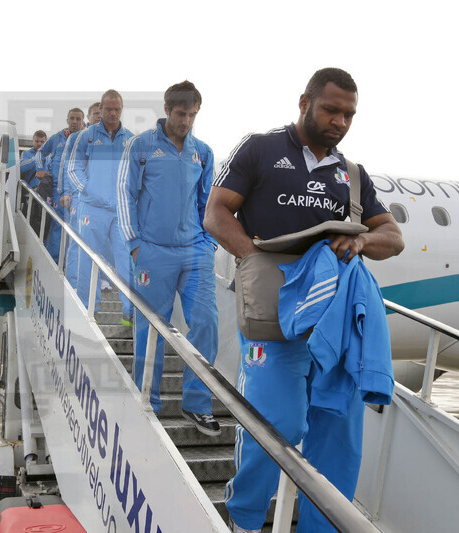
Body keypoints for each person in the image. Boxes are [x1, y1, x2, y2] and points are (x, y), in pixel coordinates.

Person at [204, 67, 404, 533]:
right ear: (304, 102)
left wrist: (359, 243)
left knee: (337, 434)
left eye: (349, 114)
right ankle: (246, 517)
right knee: (277, 423)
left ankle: (322, 528)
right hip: (271, 311)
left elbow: (391, 236)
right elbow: (216, 212)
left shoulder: (351, 175)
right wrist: (254, 259)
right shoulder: (260, 148)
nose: (340, 121)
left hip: (330, 320)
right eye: (331, 109)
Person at [117, 80, 220, 436]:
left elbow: (208, 202)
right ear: (167, 109)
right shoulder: (141, 145)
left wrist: (210, 244)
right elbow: (125, 193)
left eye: (192, 114)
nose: (186, 121)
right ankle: (148, 402)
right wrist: (134, 244)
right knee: (151, 327)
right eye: (181, 113)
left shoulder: (202, 152)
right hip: (153, 252)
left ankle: (197, 404)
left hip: (195, 252)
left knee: (206, 323)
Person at [64, 90, 135, 325]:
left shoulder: (131, 139)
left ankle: (129, 314)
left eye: (117, 109)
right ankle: (87, 309)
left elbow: (136, 175)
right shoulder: (86, 137)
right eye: (108, 109)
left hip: (119, 212)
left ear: (121, 110)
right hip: (92, 209)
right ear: (100, 110)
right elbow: (73, 168)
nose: (113, 113)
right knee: (88, 259)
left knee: (126, 260)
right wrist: (88, 190)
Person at [35, 109, 85, 262]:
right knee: (57, 227)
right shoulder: (57, 138)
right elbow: (39, 153)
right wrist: (40, 168)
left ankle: (72, 266)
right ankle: (55, 263)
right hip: (58, 191)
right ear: (67, 120)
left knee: (78, 232)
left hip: (78, 194)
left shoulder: (86, 138)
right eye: (72, 118)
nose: (75, 122)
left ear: (83, 121)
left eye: (78, 119)